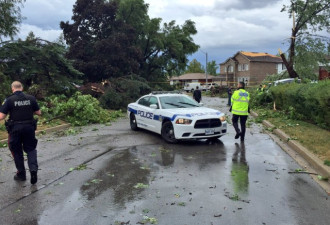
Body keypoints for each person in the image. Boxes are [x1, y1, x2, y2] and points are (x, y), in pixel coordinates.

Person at [0, 81, 41, 184]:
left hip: (15, 129)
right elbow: (39, 112)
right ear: (21, 88)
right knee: (31, 149)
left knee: (16, 151)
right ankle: (33, 170)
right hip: (29, 128)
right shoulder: (31, 98)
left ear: (12, 89)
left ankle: (21, 174)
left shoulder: (9, 100)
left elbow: (2, 116)